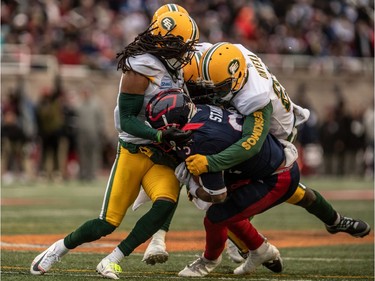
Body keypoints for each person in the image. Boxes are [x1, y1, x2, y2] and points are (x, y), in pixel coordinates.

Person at [30, 11, 199, 280]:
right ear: (163, 40)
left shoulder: (173, 65)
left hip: (160, 154)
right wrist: (159, 135)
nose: (184, 51)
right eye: (179, 44)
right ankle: (59, 248)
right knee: (106, 223)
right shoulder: (140, 66)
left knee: (166, 203)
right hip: (134, 151)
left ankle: (113, 259)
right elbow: (128, 122)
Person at [184, 42, 371, 260]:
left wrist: (211, 164)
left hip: (276, 134)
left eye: (222, 87)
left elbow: (250, 145)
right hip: (266, 121)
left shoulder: (255, 97)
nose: (215, 93)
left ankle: (244, 243)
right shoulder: (231, 54)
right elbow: (200, 50)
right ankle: (334, 221)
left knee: (228, 194)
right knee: (293, 192)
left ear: (237, 78)